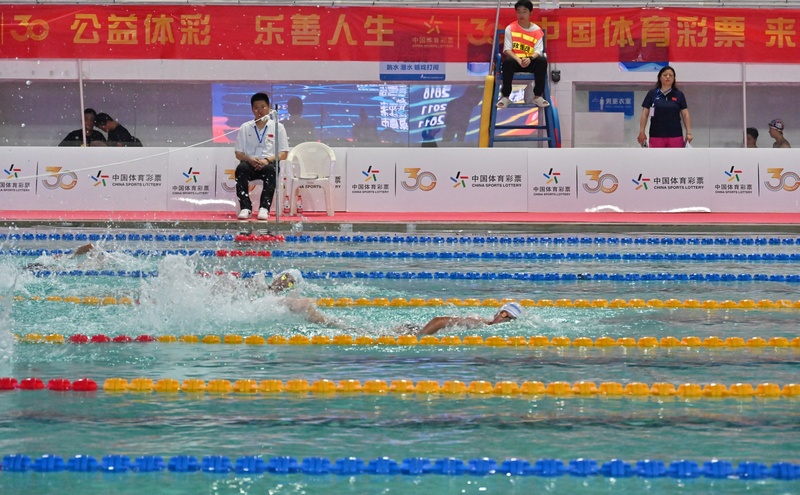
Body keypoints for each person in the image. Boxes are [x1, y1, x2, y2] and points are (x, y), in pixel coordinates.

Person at [234, 92, 289, 221]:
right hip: (250, 163)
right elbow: (238, 153)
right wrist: (250, 159)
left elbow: (284, 153)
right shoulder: (245, 127)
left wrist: (267, 160)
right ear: (252, 109)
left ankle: (264, 207)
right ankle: (245, 208)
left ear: (269, 108)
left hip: (268, 164)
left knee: (271, 169)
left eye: (263, 107)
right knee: (241, 169)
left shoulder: (278, 127)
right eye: (256, 108)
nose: (260, 111)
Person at [497, 0, 549, 109]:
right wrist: (518, 59)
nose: (521, 14)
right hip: (516, 61)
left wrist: (529, 59)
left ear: (530, 13)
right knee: (507, 62)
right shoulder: (510, 28)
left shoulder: (537, 30)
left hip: (530, 61)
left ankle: (538, 96)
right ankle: (505, 97)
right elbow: (507, 49)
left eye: (524, 11)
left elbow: (538, 50)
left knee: (542, 61)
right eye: (519, 12)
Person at [637, 66, 692, 148]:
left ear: (674, 78)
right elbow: (645, 113)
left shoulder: (679, 94)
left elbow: (685, 114)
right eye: (665, 75)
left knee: (676, 156)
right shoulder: (652, 94)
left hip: (675, 135)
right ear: (660, 77)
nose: (668, 77)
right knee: (656, 156)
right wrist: (642, 131)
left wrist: (689, 132)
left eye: (671, 75)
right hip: (656, 135)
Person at [400, 302, 523, 336]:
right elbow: (439, 321)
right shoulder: (478, 323)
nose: (502, 320)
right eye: (503, 314)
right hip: (412, 331)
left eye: (508, 319)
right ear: (497, 313)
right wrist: (420, 336)